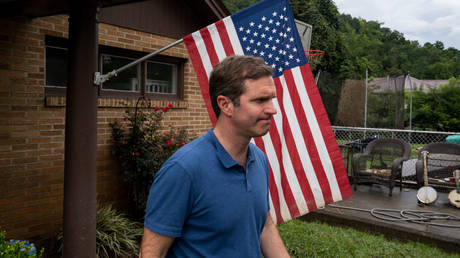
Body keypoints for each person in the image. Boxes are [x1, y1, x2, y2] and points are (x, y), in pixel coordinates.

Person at [140, 55, 290, 258]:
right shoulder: (183, 170)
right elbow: (152, 252)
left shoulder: (259, 160)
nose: (273, 109)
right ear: (225, 104)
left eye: (271, 98)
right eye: (260, 100)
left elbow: (264, 224)